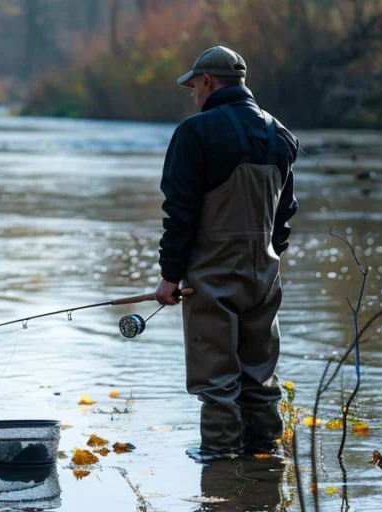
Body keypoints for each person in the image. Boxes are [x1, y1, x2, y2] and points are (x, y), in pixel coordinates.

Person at [154, 46, 298, 461]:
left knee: (216, 381)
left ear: (208, 82)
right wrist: (269, 257)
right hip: (266, 277)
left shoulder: (195, 132)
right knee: (259, 376)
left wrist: (170, 276)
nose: (194, 96)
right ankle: (265, 462)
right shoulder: (281, 134)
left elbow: (179, 211)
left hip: (211, 278)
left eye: (194, 87)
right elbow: (286, 213)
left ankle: (219, 465)